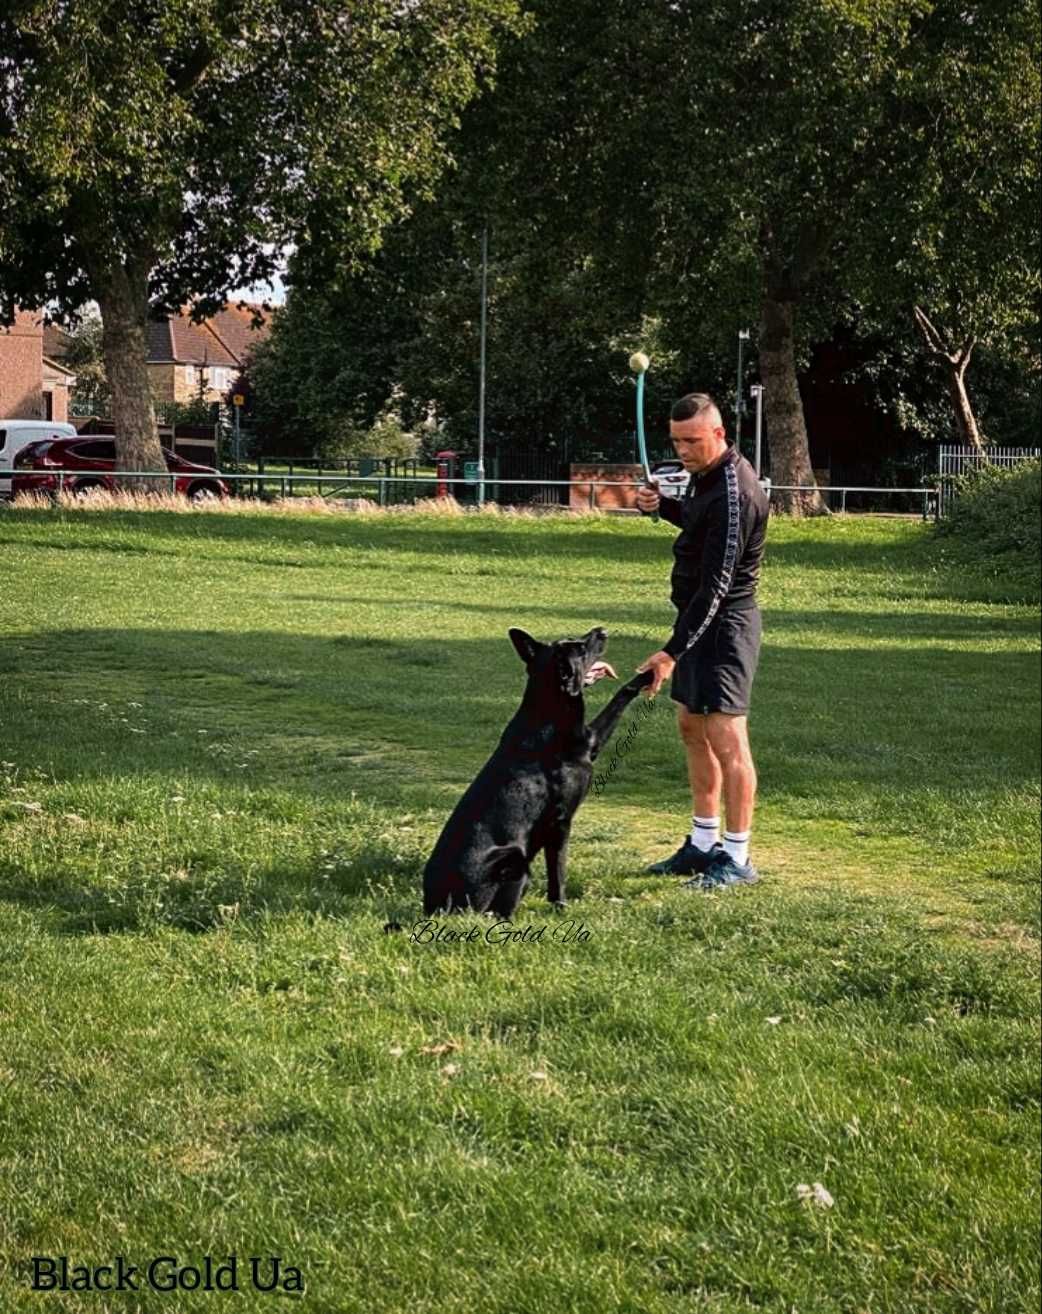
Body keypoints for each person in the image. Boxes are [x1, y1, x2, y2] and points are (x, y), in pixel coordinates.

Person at [634, 392, 769, 889]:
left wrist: (671, 652)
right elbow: (697, 524)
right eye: (676, 441)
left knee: (727, 739)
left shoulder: (737, 491)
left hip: (726, 627)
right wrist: (663, 507)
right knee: (692, 726)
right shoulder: (706, 478)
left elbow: (717, 586)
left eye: (692, 441)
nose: (683, 450)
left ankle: (737, 858)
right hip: (698, 620)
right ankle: (702, 844)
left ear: (719, 434)